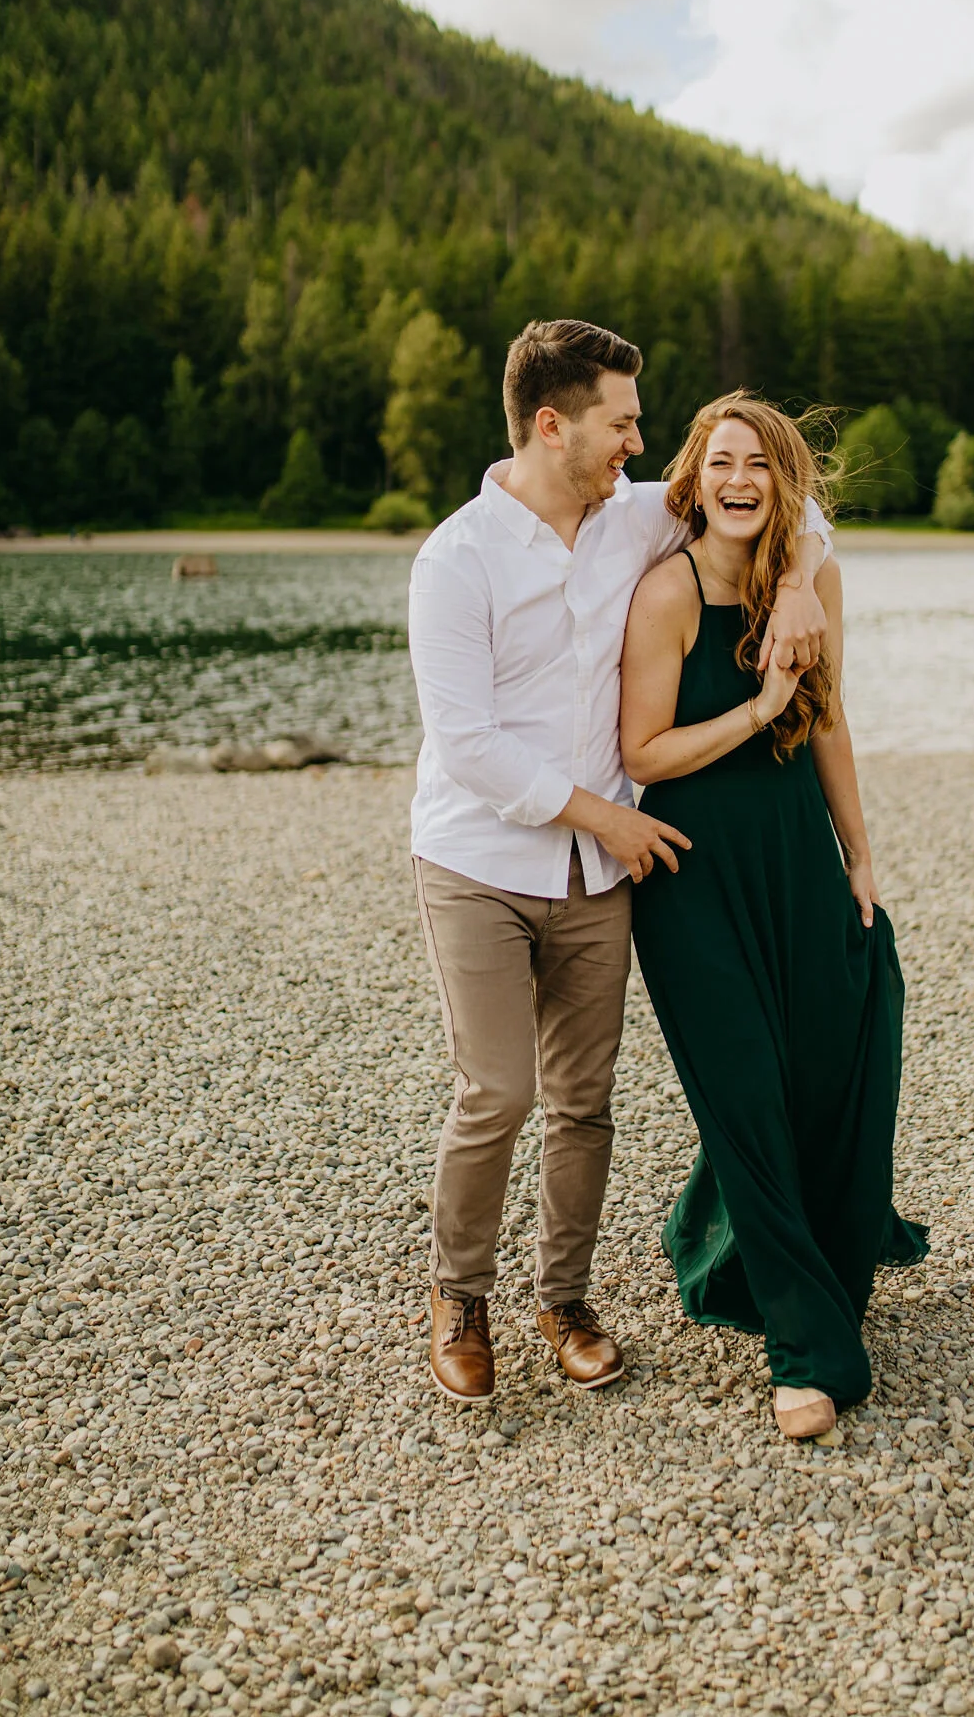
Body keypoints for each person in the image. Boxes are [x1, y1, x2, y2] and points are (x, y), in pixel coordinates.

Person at [407, 322, 833, 1403]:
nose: (640, 444)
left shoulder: (638, 515)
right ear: (553, 425)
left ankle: (565, 1298)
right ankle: (461, 1299)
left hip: (598, 876)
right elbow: (468, 745)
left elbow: (791, 504)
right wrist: (610, 814)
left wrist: (798, 586)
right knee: (497, 1089)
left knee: (585, 1097)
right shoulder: (454, 559)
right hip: (483, 861)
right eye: (623, 422)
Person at [620, 392, 928, 1441]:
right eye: (721, 462)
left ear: (783, 481)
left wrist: (860, 852)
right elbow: (643, 754)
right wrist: (753, 708)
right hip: (691, 869)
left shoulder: (812, 577)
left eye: (758, 462)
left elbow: (831, 715)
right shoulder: (664, 591)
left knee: (830, 1059)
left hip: (798, 844)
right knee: (745, 1090)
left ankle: (728, 1242)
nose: (740, 479)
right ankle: (807, 1349)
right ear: (693, 479)